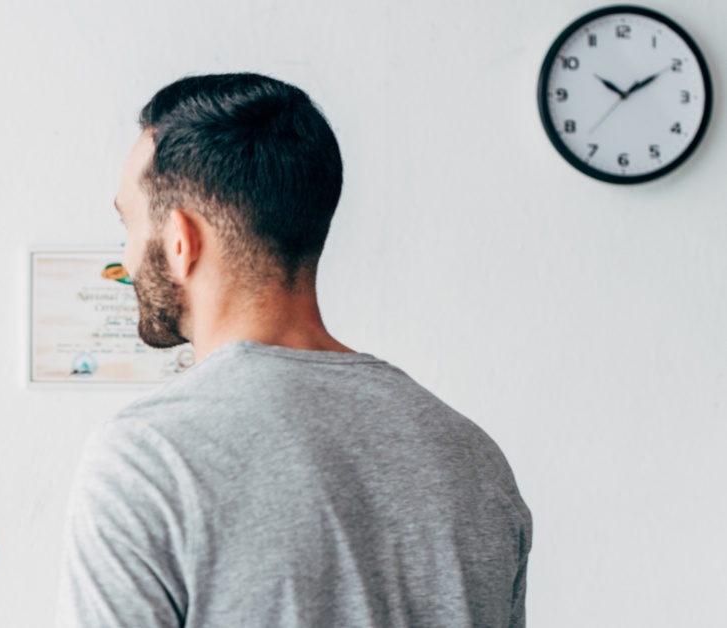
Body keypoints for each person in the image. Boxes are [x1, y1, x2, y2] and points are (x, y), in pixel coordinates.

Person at [56, 73, 531, 627]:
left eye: (129, 225)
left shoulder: (148, 457)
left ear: (181, 241)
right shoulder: (469, 454)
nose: (128, 258)